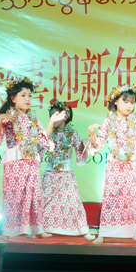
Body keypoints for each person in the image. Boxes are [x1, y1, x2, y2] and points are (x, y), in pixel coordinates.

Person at [0, 76, 65, 240]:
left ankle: (36, 229)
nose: (27, 99)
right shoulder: (9, 116)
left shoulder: (33, 118)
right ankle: (8, 232)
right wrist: (0, 118)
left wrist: (51, 122)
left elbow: (44, 139)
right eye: (23, 95)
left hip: (31, 162)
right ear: (13, 98)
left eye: (30, 95)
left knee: (33, 196)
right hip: (15, 163)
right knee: (14, 196)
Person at [87, 84, 136, 244]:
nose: (129, 105)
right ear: (115, 101)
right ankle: (103, 233)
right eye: (125, 101)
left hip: (134, 164)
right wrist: (91, 133)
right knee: (111, 196)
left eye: (132, 102)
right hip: (115, 164)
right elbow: (98, 144)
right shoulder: (109, 121)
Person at [41, 99, 94, 240]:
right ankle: (42, 229)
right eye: (51, 116)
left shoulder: (72, 133)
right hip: (50, 172)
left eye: (56, 115)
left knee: (73, 200)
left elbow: (80, 150)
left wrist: (84, 143)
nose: (53, 118)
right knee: (46, 200)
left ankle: (83, 230)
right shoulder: (49, 132)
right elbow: (42, 144)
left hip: (66, 173)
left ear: (65, 116)